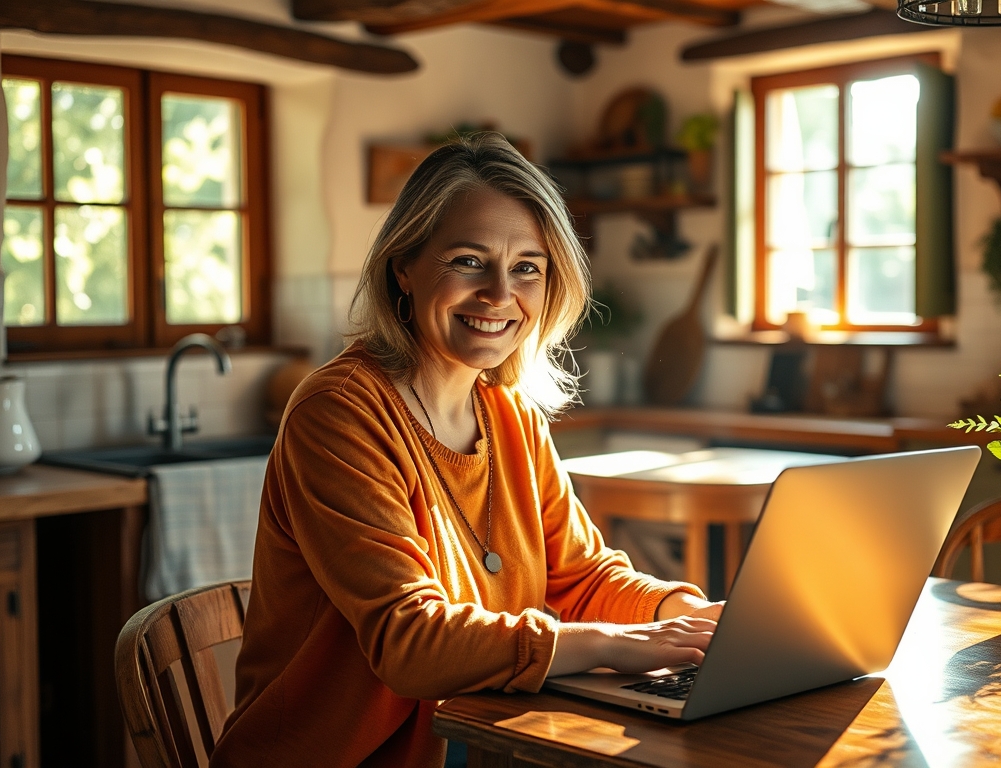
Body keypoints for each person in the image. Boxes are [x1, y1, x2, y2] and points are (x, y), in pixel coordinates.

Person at [210, 134, 722, 768]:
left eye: (527, 267)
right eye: (468, 260)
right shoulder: (338, 411)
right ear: (404, 266)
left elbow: (583, 577)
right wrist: (616, 644)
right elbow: (411, 643)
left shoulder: (509, 413)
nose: (500, 294)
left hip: (477, 748)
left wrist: (684, 616)